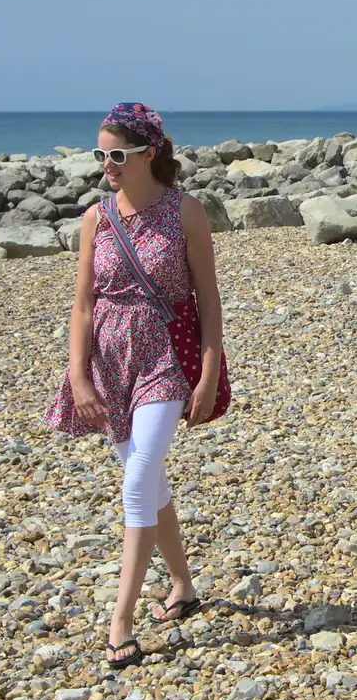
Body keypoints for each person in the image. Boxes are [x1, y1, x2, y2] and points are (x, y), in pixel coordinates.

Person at [43, 102, 226, 669]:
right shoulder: (96, 219)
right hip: (109, 361)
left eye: (117, 155)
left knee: (141, 474)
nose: (107, 165)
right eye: (100, 154)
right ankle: (184, 586)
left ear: (149, 152)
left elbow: (209, 301)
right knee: (144, 478)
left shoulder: (187, 211)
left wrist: (210, 371)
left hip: (166, 355)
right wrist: (77, 375)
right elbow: (81, 306)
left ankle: (120, 619)